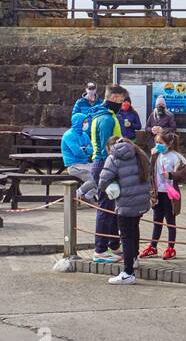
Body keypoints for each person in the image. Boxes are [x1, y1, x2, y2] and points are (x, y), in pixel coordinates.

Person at [96, 137, 152, 285]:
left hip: (125, 203)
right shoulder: (140, 154)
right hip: (141, 201)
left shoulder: (113, 158)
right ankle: (134, 259)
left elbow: (103, 181)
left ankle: (128, 273)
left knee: (126, 237)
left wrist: (114, 183)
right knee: (134, 229)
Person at [88, 84, 130, 261]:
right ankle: (100, 250)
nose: (123, 103)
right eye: (121, 100)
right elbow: (108, 148)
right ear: (113, 98)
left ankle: (113, 245)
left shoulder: (101, 115)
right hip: (105, 165)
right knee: (105, 208)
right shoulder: (107, 119)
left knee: (111, 207)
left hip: (103, 164)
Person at [141, 131, 186, 260]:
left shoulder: (176, 157)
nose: (158, 145)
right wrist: (151, 157)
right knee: (157, 221)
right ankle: (153, 247)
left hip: (170, 194)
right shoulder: (156, 155)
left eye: (160, 143)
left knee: (170, 222)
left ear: (169, 144)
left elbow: (183, 173)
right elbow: (150, 170)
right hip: (158, 193)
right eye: (156, 142)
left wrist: (171, 175)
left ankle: (171, 248)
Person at [60, 110, 94, 181]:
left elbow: (92, 150)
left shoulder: (84, 135)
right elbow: (77, 153)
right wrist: (86, 150)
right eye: (84, 122)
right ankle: (81, 189)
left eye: (87, 122)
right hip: (74, 166)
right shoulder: (69, 135)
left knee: (103, 175)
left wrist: (84, 149)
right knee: (94, 180)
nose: (87, 124)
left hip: (86, 164)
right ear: (78, 122)